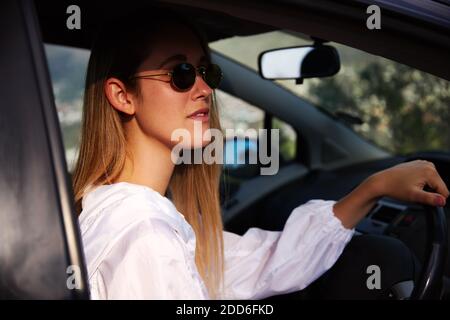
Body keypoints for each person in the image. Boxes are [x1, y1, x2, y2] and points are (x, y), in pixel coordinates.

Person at [72, 10, 449, 300]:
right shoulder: (143, 232)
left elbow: (250, 265)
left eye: (207, 71)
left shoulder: (123, 209)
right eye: (181, 73)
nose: (204, 88)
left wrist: (372, 187)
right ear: (122, 96)